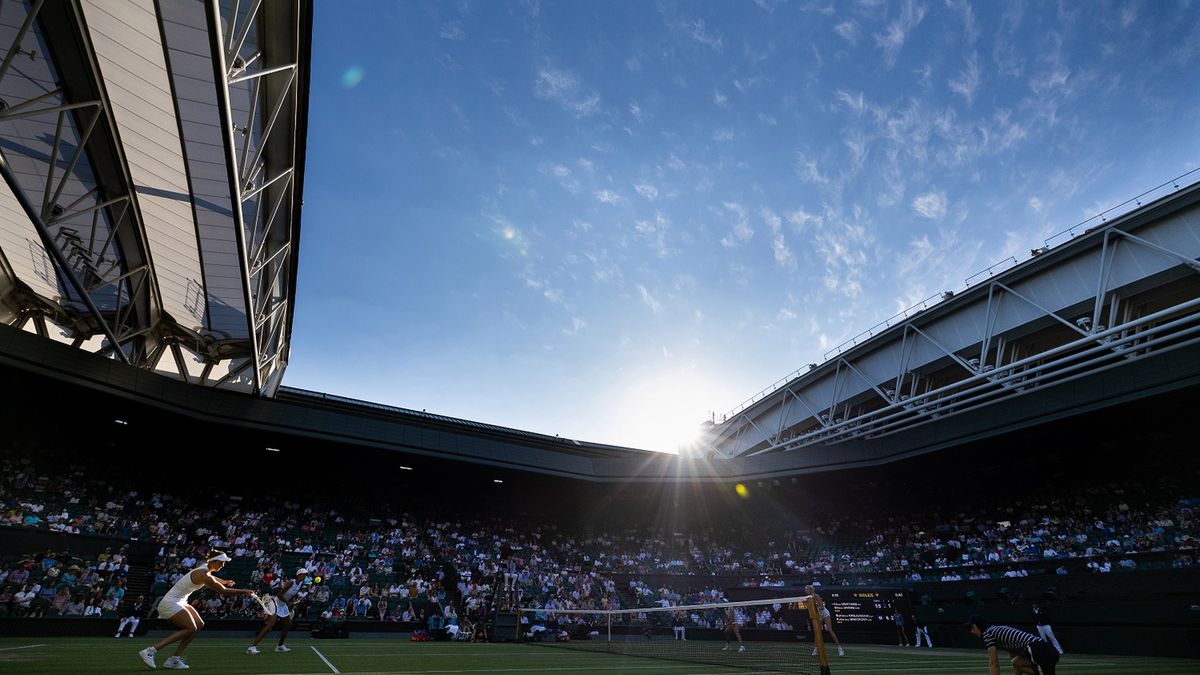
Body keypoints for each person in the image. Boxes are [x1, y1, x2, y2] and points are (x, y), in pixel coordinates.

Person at [138, 551, 253, 670]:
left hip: (181, 600)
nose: (223, 565)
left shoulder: (205, 569)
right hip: (170, 603)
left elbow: (211, 577)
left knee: (199, 624)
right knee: (190, 628)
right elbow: (223, 591)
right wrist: (244, 591)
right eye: (221, 562)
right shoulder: (203, 574)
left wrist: (224, 581)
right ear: (213, 561)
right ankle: (150, 651)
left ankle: (174, 660)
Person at [965, 614, 1059, 675]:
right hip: (1047, 650)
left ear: (979, 625)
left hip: (1038, 649)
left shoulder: (988, 634)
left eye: (972, 627)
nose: (972, 631)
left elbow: (993, 664)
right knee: (1016, 662)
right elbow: (1016, 663)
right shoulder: (997, 632)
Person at [248, 568, 308, 654]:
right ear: (298, 575)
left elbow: (290, 596)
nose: (305, 576)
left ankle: (280, 646)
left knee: (288, 624)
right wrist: (288, 602)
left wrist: (293, 601)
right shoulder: (291, 582)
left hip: (283, 605)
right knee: (270, 624)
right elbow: (279, 595)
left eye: (306, 574)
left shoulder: (301, 584)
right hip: (275, 603)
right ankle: (252, 647)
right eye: (303, 574)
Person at [805, 585, 844, 657]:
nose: (806, 591)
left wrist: (819, 613)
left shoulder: (816, 596)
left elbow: (822, 606)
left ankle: (839, 648)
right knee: (817, 632)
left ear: (811, 590)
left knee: (830, 630)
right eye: (805, 589)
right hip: (817, 615)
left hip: (824, 613)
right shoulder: (808, 598)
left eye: (807, 589)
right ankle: (816, 649)